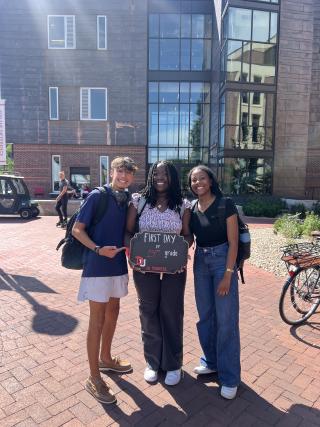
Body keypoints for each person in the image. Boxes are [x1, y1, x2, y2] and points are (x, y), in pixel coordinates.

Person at [72, 156, 138, 404]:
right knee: (97, 320)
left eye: (129, 173)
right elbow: (78, 229)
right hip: (98, 266)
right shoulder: (98, 196)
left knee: (114, 311)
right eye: (120, 171)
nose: (124, 176)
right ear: (111, 171)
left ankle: (106, 359)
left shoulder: (127, 199)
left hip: (118, 265)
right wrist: (98, 249)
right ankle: (93, 377)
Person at [126, 161, 192, 386]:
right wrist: (132, 254)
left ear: (173, 177)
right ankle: (153, 362)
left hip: (174, 268)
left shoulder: (182, 205)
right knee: (148, 311)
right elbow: (128, 232)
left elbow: (187, 235)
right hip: (144, 267)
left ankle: (173, 364)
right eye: (156, 174)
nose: (159, 177)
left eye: (164, 174)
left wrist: (181, 252)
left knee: (171, 312)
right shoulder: (139, 201)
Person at [188, 165, 241, 400]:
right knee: (205, 316)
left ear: (210, 181)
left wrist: (228, 274)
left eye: (202, 178)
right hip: (200, 261)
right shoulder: (191, 207)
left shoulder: (224, 203)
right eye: (193, 180)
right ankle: (210, 361)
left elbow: (234, 242)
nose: (198, 183)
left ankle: (229, 376)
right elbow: (188, 236)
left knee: (226, 320)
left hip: (222, 262)